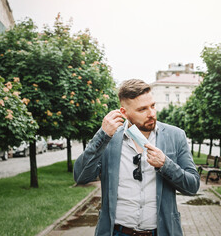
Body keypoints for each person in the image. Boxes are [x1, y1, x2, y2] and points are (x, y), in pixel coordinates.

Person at [74, 79, 200, 236]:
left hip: (161, 232)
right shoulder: (109, 139)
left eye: (153, 106)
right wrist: (102, 135)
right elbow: (81, 176)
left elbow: (192, 186)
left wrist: (165, 165)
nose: (151, 114)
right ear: (124, 113)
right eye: (142, 110)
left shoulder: (175, 136)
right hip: (118, 232)